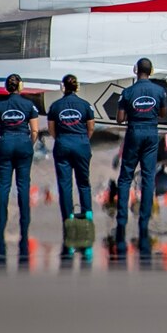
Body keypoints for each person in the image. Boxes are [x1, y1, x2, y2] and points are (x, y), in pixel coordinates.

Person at [114, 58, 165, 251]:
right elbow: (162, 113)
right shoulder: (159, 91)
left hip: (134, 131)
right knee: (148, 177)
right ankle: (145, 218)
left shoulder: (127, 92)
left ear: (135, 70)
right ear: (151, 71)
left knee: (126, 176)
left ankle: (122, 217)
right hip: (151, 132)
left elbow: (120, 120)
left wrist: (130, 112)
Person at [0, 74, 42, 257]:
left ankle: (0, 227)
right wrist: (30, 144)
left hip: (4, 142)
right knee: (23, 187)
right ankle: (24, 228)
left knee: (3, 188)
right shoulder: (29, 105)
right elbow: (35, 130)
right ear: (20, 86)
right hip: (23, 142)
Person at [48, 74, 98, 237]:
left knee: (65, 185)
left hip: (62, 144)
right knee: (83, 183)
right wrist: (82, 139)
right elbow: (91, 127)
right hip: (81, 144)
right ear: (77, 87)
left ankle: (68, 218)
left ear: (63, 87)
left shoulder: (55, 106)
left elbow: (51, 129)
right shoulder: (85, 106)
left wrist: (62, 139)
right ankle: (87, 214)